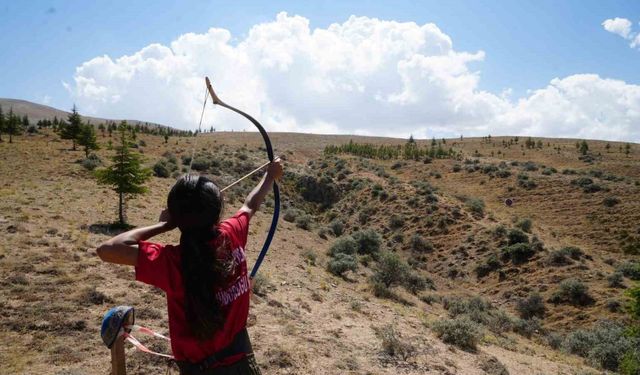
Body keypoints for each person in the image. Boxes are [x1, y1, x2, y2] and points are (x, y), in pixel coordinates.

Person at [96, 158, 283, 375]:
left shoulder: (172, 262)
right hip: (241, 363)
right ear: (217, 212)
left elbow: (108, 249)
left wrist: (164, 225)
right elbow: (251, 205)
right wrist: (270, 175)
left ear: (177, 217)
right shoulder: (231, 233)